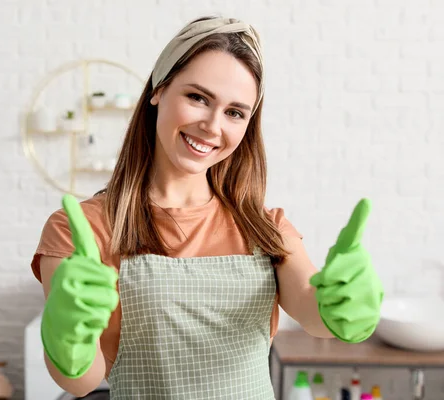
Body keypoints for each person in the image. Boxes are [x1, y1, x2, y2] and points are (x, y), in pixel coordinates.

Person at [30, 16, 384, 399]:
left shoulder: (264, 226)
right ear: (158, 90)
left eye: (235, 112)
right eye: (197, 98)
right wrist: (67, 335)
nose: (213, 126)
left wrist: (343, 303)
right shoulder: (85, 228)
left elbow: (314, 315)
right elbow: (80, 382)